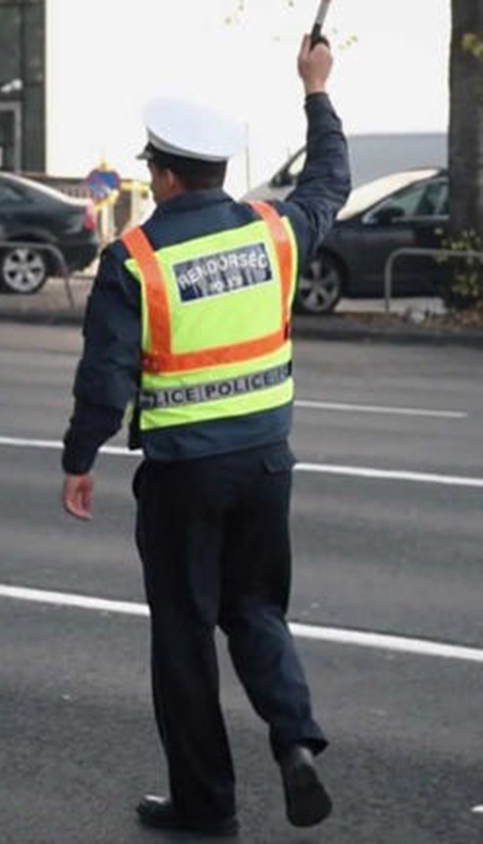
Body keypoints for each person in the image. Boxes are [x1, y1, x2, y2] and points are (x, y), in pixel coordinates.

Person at [59, 36, 350, 836]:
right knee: (256, 609)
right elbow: (330, 182)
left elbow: (106, 377)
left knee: (185, 640)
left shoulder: (136, 259)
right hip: (265, 464)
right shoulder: (273, 232)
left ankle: (205, 806)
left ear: (163, 173)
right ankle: (295, 741)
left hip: (184, 477)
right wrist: (315, 90)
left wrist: (79, 459)